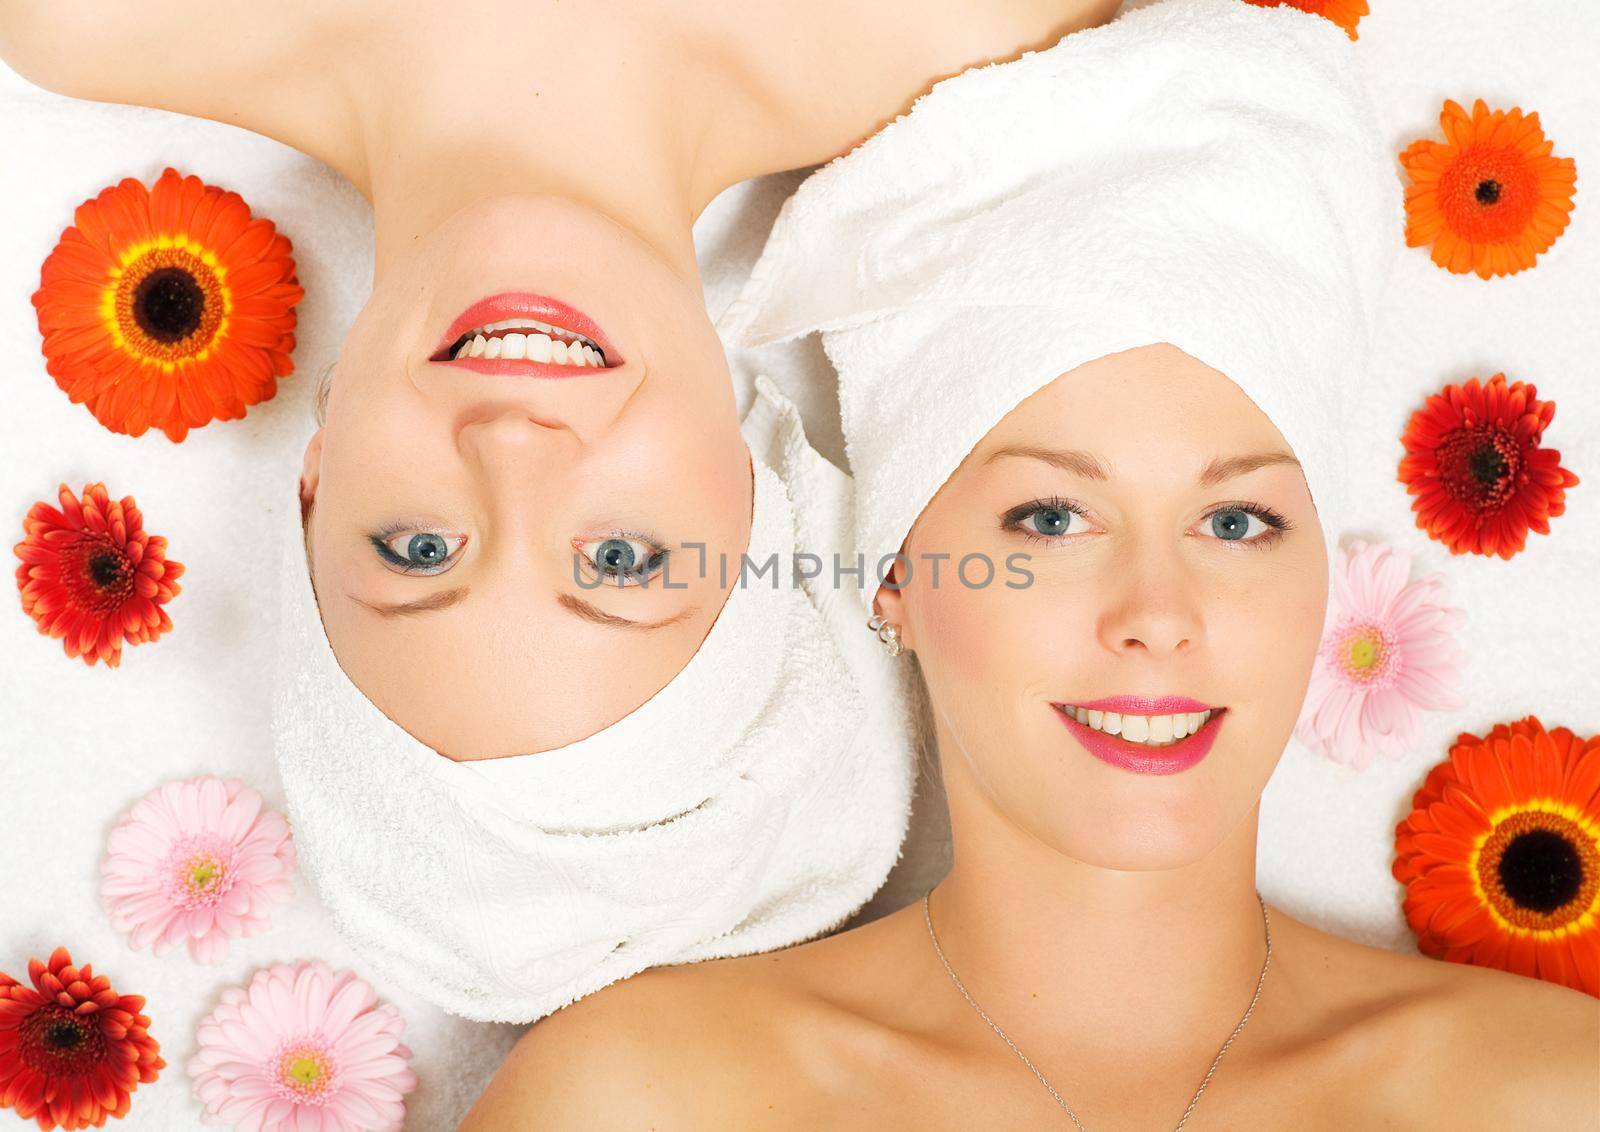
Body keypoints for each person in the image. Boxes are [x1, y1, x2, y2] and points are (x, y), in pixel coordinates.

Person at [459, 1, 1600, 1124]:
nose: (1158, 615)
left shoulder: (1546, 1095)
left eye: (1238, 522)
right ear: (894, 577)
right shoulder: (641, 1099)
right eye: (1052, 520)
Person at [0, 0, 1124, 759]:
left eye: (419, 549)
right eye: (620, 560)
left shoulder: (79, 16)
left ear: (318, 468)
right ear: (750, 490)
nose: (515, 444)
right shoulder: (987, 18)